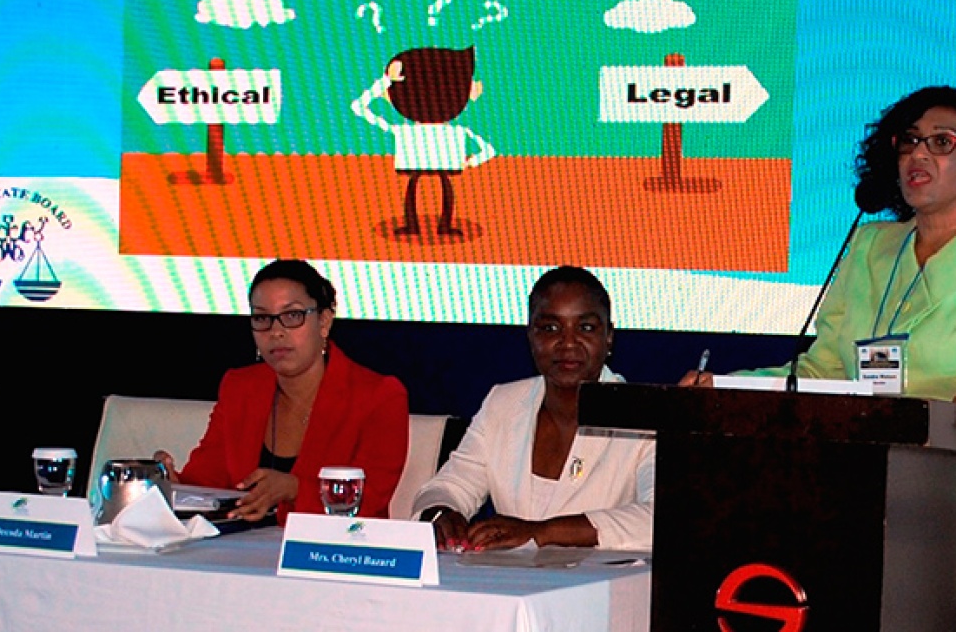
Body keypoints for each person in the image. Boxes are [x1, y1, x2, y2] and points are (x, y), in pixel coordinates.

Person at [684, 86, 956, 632]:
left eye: (942, 141)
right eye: (908, 141)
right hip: (875, 492)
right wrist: (726, 386)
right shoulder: (868, 247)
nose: (918, 154)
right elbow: (822, 371)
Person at [412, 266, 654, 551]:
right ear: (531, 337)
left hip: (604, 590)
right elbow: (450, 486)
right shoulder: (503, 403)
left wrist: (540, 532)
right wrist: (440, 513)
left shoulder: (645, 414)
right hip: (509, 587)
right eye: (551, 328)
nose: (568, 343)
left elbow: (659, 519)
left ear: (609, 336)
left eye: (585, 327)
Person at [156, 260, 409, 522]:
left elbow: (369, 503)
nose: (276, 332)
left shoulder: (380, 396)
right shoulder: (239, 387)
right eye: (262, 318)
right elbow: (206, 482)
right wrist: (173, 485)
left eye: (292, 316)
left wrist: (294, 490)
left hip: (337, 554)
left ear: (324, 321)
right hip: (244, 555)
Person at [351, 46, 495, 236]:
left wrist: (386, 82)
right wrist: (470, 162)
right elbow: (489, 151)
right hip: (444, 164)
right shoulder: (457, 132)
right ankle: (437, 227)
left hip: (423, 164)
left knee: (419, 185)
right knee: (433, 185)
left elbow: (359, 106)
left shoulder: (403, 131)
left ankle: (421, 226)